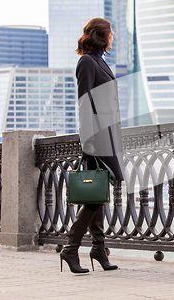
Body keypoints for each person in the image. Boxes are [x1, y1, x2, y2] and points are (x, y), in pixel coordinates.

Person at [60, 18, 124, 274]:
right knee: (99, 192)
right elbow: (85, 102)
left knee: (97, 193)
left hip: (107, 135)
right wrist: (88, 142)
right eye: (111, 33)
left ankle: (98, 248)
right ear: (102, 35)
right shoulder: (87, 62)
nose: (113, 37)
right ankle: (71, 248)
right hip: (96, 138)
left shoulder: (99, 60)